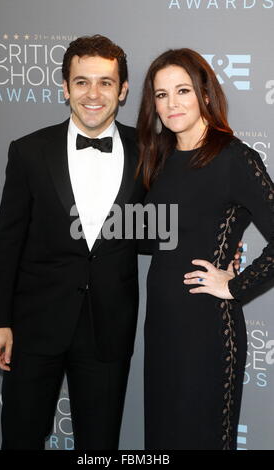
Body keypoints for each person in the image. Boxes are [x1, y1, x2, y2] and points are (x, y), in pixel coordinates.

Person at [0, 35, 146, 450]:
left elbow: (161, 227)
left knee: (99, 445)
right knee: (21, 437)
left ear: (123, 90)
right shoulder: (28, 151)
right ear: (65, 87)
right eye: (81, 82)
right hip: (35, 324)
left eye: (106, 83)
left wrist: (220, 249)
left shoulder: (149, 150)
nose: (93, 94)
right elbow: (8, 243)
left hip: (108, 326)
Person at [137, 48, 274, 450]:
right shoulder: (157, 157)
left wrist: (235, 286)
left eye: (182, 90)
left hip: (208, 329)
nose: (171, 103)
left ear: (206, 95)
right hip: (162, 327)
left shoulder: (234, 157)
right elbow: (152, 238)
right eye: (161, 95)